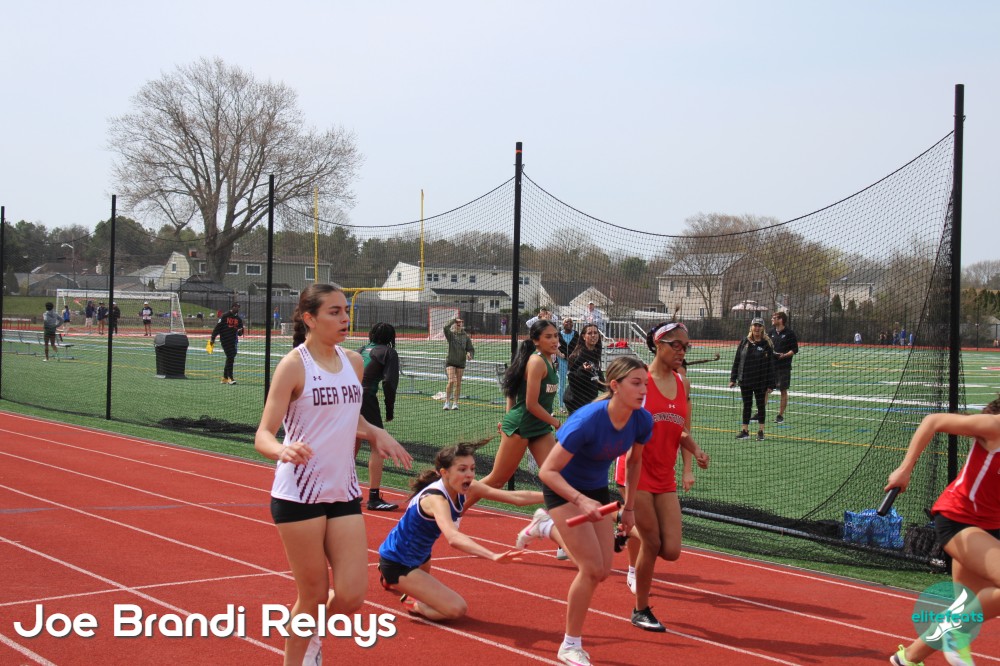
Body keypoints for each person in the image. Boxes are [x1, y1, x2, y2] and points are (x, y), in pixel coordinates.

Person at [254, 283, 412, 666]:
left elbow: (348, 415)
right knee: (311, 595)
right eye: (335, 312)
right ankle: (299, 652)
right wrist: (281, 449)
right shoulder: (294, 365)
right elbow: (263, 434)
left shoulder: (354, 362)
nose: (345, 318)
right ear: (309, 318)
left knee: (352, 595)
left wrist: (375, 432)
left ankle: (307, 632)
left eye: (346, 311)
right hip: (299, 494)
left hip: (343, 491)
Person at [538, 355, 653, 666]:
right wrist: (580, 500)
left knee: (603, 571)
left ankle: (546, 528)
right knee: (590, 570)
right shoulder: (587, 420)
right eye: (636, 383)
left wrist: (629, 508)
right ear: (615, 385)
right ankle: (569, 645)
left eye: (645, 383)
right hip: (563, 488)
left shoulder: (642, 420)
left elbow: (634, 462)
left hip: (596, 491)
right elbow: (547, 471)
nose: (643, 390)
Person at [886, 396, 1000, 666]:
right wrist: (904, 469)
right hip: (959, 520)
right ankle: (954, 631)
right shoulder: (994, 427)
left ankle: (908, 658)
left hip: (991, 527)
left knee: (967, 606)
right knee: (964, 614)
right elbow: (933, 421)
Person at [616, 322, 710, 632]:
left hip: (664, 474)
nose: (682, 351)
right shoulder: (640, 380)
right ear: (658, 344)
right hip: (636, 470)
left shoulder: (683, 382)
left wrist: (695, 450)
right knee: (652, 542)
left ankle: (620, 523)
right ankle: (640, 609)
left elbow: (678, 428)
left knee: (671, 550)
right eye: (676, 345)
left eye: (686, 346)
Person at [377, 442, 538, 620]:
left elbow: (515, 497)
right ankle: (412, 603)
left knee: (428, 580)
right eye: (462, 469)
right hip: (398, 563)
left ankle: (391, 580)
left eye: (472, 469)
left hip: (421, 557)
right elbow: (453, 537)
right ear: (444, 473)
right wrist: (492, 555)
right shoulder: (436, 500)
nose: (469, 474)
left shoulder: (466, 486)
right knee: (456, 609)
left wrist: (554, 495)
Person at [356, 322, 402, 511]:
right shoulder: (389, 352)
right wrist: (389, 409)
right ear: (391, 337)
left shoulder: (361, 349)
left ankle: (345, 490)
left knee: (353, 442)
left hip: (349, 396)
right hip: (366, 397)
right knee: (378, 445)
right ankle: (374, 498)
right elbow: (389, 382)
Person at [729, 317, 775, 441]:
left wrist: (771, 384)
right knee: (747, 405)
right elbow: (737, 360)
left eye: (759, 326)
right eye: (755, 325)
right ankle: (745, 431)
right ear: (751, 327)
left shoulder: (767, 344)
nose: (757, 328)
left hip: (761, 381)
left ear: (763, 328)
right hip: (745, 380)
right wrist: (733, 378)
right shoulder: (745, 341)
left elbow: (771, 365)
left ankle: (761, 431)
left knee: (761, 406)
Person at [562, 324, 604, 415]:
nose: (593, 335)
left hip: (590, 399)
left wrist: (608, 387)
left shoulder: (595, 352)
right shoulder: (578, 355)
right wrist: (582, 370)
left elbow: (597, 374)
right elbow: (572, 378)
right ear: (583, 336)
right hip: (577, 401)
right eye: (590, 333)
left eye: (595, 333)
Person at [765, 311, 799, 424]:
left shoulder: (789, 333)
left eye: (774, 317)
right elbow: (767, 347)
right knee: (765, 389)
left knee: (783, 390)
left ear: (781, 320)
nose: (772, 319)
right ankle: (760, 412)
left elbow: (794, 349)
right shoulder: (770, 332)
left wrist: (784, 355)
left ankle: (780, 415)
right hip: (771, 366)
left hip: (783, 367)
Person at [442, 317, 474, 410]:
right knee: (451, 381)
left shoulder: (466, 337)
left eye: (460, 323)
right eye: (457, 323)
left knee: (458, 383)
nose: (459, 324)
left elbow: (470, 349)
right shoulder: (451, 335)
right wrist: (453, 320)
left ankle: (455, 403)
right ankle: (447, 402)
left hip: (461, 362)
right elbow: (445, 327)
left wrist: (470, 354)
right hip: (451, 361)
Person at [211, 303, 244, 385]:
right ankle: (230, 377)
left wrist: (240, 331)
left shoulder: (239, 319)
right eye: (236, 307)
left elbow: (240, 333)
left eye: (238, 307)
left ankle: (224, 378)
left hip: (233, 341)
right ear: (232, 307)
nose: (237, 308)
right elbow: (217, 328)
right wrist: (213, 338)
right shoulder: (225, 316)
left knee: (230, 357)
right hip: (225, 340)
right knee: (230, 357)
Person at [556, 317, 579, 414]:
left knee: (574, 382)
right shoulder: (558, 334)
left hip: (573, 362)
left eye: (570, 322)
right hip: (562, 361)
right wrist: (560, 355)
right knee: (561, 383)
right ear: (563, 324)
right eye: (566, 322)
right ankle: (561, 406)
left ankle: (573, 404)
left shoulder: (576, 334)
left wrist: (574, 355)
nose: (568, 323)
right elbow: (555, 346)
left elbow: (578, 346)